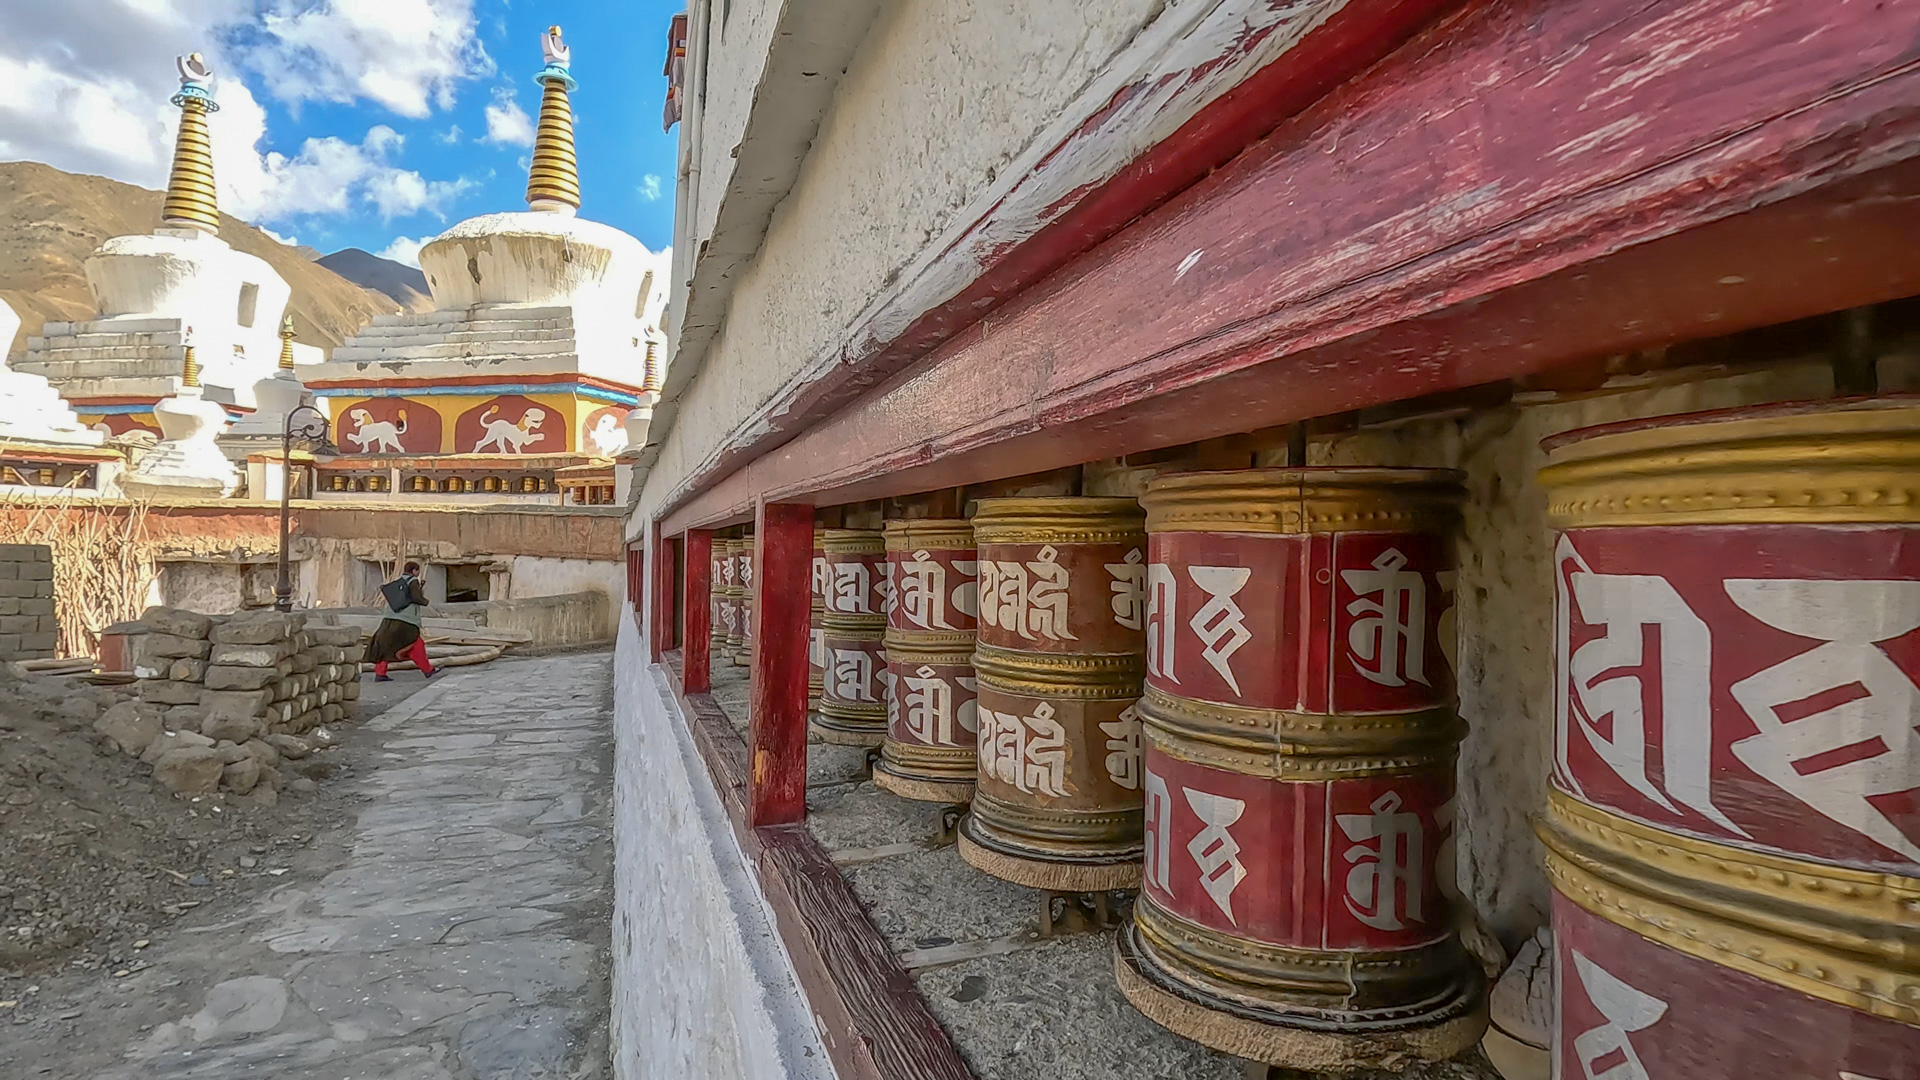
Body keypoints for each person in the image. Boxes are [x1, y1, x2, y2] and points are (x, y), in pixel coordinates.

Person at [365, 561, 437, 681]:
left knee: (384, 646)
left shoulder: (399, 583)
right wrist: (426, 602)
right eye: (417, 571)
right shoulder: (413, 581)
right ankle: (428, 670)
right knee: (416, 643)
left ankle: (380, 673)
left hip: (388, 619)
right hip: (405, 621)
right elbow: (416, 597)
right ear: (414, 571)